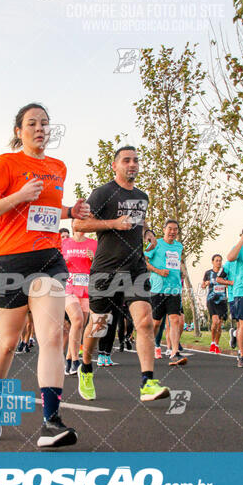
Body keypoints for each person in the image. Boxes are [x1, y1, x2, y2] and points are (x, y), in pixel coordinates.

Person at [0, 102, 90, 447]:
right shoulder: (5, 163)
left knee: (52, 336)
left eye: (45, 123)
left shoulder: (58, 167)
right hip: (9, 261)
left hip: (48, 260)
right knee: (8, 342)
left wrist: (70, 211)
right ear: (18, 131)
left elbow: (46, 212)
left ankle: (51, 422)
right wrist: (18, 195)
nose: (40, 128)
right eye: (32, 123)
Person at [74, 146, 170, 402]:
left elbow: (140, 221)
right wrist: (114, 224)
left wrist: (148, 233)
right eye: (126, 160)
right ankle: (85, 367)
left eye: (136, 160)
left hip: (135, 268)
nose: (133, 164)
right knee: (98, 325)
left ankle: (147, 382)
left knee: (145, 321)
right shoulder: (103, 193)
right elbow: (78, 224)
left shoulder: (142, 196)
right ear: (114, 166)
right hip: (106, 268)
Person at [145, 219, 187, 366]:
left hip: (174, 288)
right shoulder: (155, 244)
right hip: (158, 288)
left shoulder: (179, 246)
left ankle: (174, 352)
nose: (172, 232)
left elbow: (175, 263)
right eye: (170, 228)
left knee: (175, 319)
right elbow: (144, 261)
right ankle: (149, 347)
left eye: (175, 229)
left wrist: (180, 273)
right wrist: (158, 271)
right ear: (164, 230)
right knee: (156, 322)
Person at [62, 220, 97, 374]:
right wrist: (63, 263)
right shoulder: (64, 243)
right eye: (79, 222)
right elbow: (54, 265)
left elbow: (100, 266)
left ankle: (68, 359)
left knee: (80, 325)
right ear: (73, 225)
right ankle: (76, 361)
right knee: (77, 319)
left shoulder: (94, 244)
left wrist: (93, 259)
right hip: (68, 287)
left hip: (86, 288)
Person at [227, 226, 243, 367]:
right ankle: (242, 355)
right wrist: (241, 241)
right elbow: (230, 257)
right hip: (242, 292)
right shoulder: (240, 249)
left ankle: (236, 336)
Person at [202, 255, 230, 354]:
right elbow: (202, 286)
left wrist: (226, 283)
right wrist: (206, 283)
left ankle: (216, 344)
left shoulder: (225, 273)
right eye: (216, 260)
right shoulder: (208, 273)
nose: (218, 262)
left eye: (220, 261)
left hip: (222, 300)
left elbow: (228, 284)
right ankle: (212, 342)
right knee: (215, 322)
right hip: (211, 300)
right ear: (212, 262)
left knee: (219, 324)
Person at [223, 259, 238, 350]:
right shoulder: (229, 263)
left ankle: (235, 333)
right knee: (242, 323)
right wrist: (231, 283)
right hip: (234, 297)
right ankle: (242, 352)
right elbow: (220, 278)